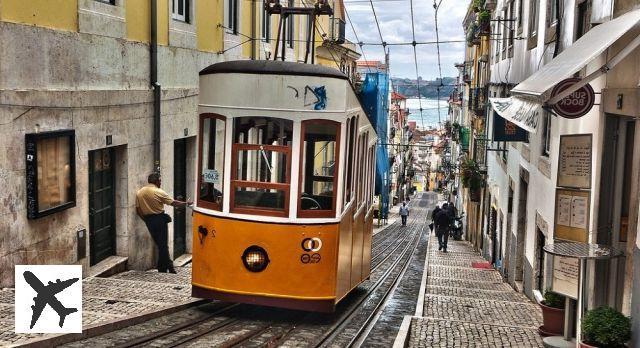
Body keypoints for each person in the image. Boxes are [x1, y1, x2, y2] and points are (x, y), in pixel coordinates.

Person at [136, 173, 192, 273]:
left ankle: (167, 266)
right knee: (163, 245)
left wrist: (146, 220)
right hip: (159, 220)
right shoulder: (158, 192)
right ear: (156, 181)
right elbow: (173, 203)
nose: (161, 182)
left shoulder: (140, 192)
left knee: (160, 244)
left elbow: (138, 209)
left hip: (149, 221)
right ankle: (164, 268)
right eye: (160, 180)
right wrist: (187, 204)